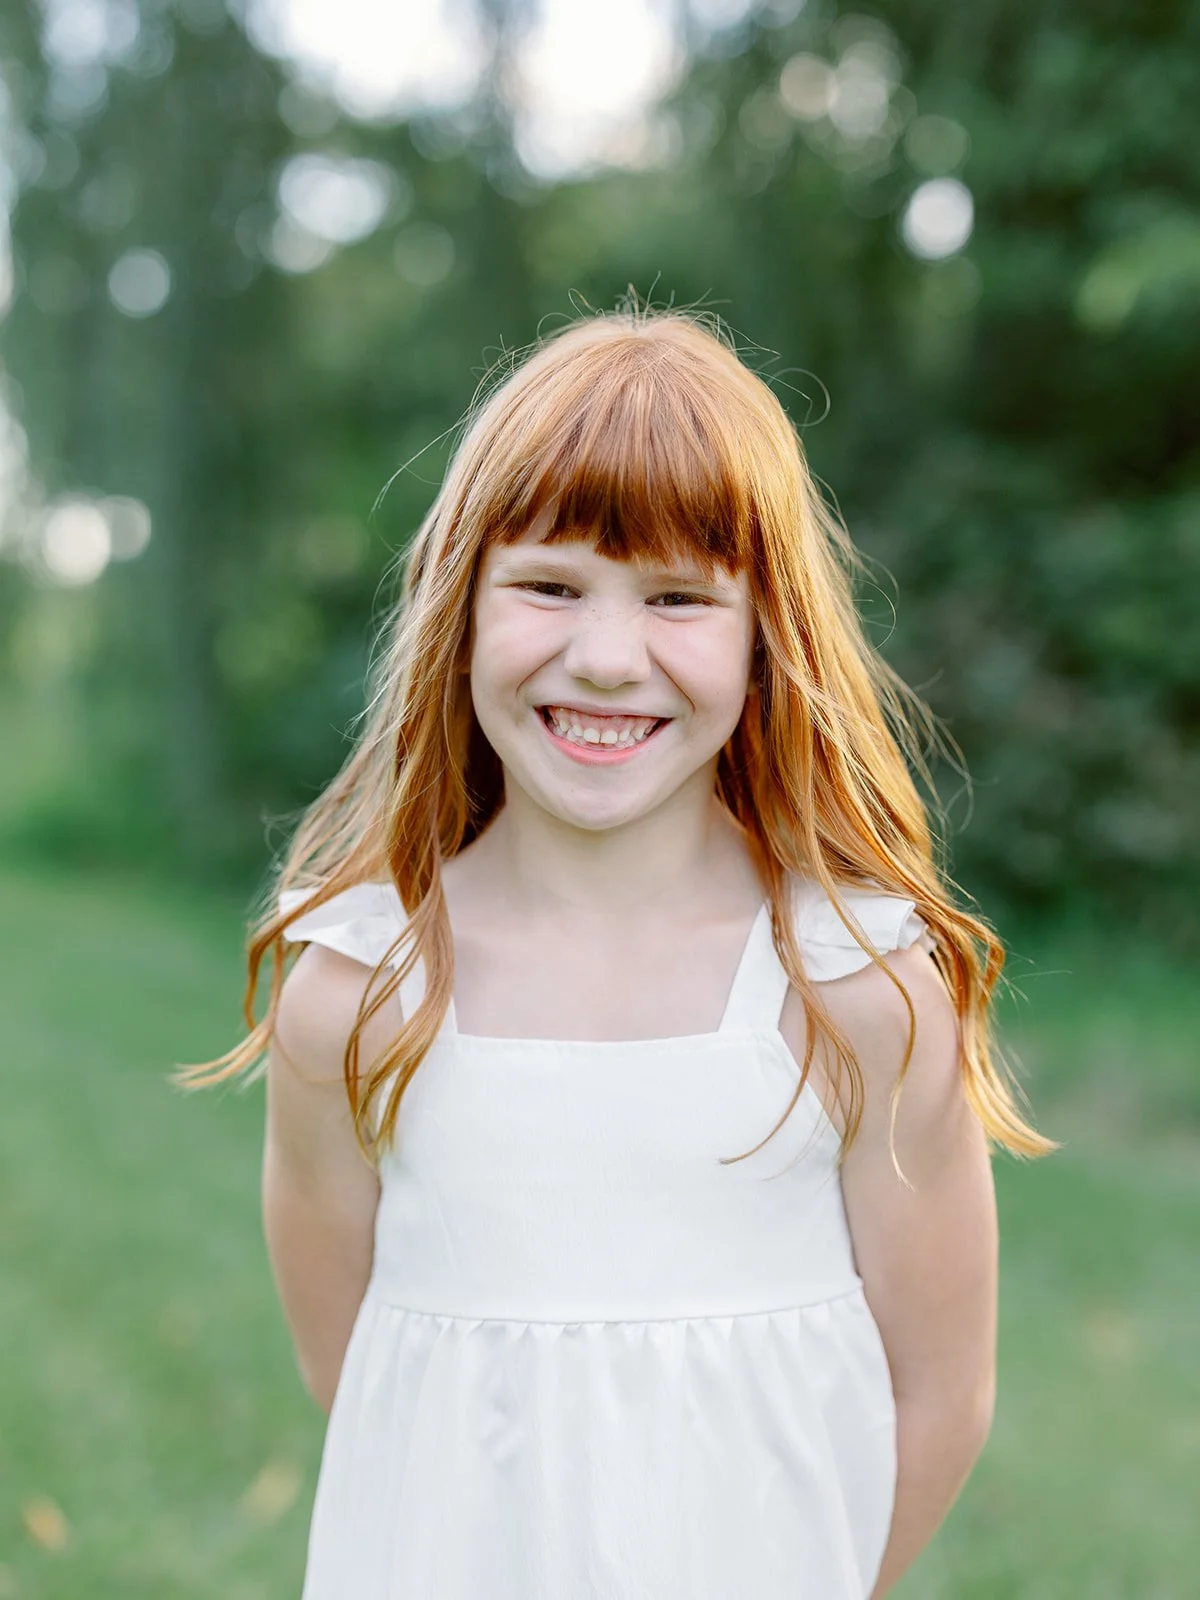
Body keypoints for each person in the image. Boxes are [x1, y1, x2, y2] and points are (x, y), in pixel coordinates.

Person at [187, 306, 1055, 1598]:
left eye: (676, 600)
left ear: (767, 639)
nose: (605, 660)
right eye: (548, 585)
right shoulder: (361, 993)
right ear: (459, 607)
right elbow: (356, 1374)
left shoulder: (860, 994)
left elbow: (940, 1400)